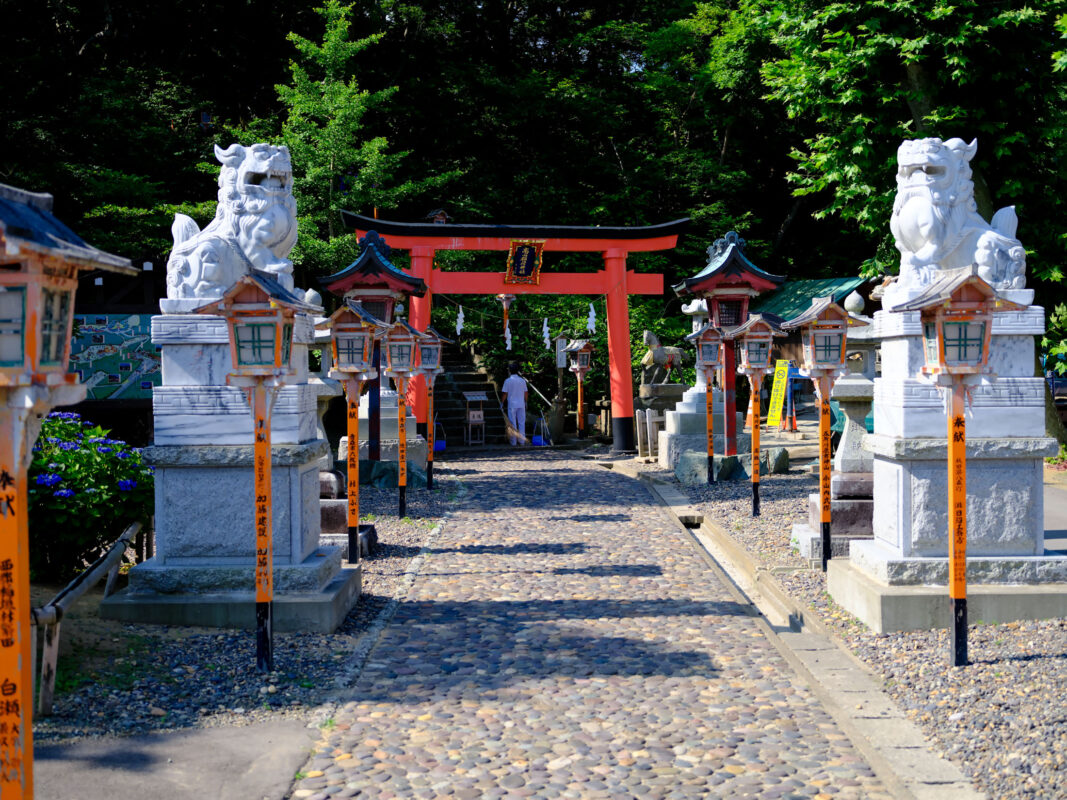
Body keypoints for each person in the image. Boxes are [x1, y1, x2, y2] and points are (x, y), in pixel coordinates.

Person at [501, 362, 528, 446]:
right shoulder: (522, 380)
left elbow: (504, 394)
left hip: (512, 404)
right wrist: (526, 401)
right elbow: (526, 392)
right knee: (521, 422)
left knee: (512, 423)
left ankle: (513, 442)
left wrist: (502, 403)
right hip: (521, 404)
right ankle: (522, 441)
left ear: (509, 371)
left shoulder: (508, 381)